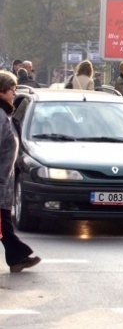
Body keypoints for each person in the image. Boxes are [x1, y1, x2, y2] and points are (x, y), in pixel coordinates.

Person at [0, 70, 41, 273]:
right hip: (0, 182)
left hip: (4, 182)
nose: (14, 93)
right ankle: (18, 255)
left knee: (4, 224)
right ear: (1, 91)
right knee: (3, 224)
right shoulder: (0, 116)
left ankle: (17, 256)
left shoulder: (4, 114)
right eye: (12, 90)